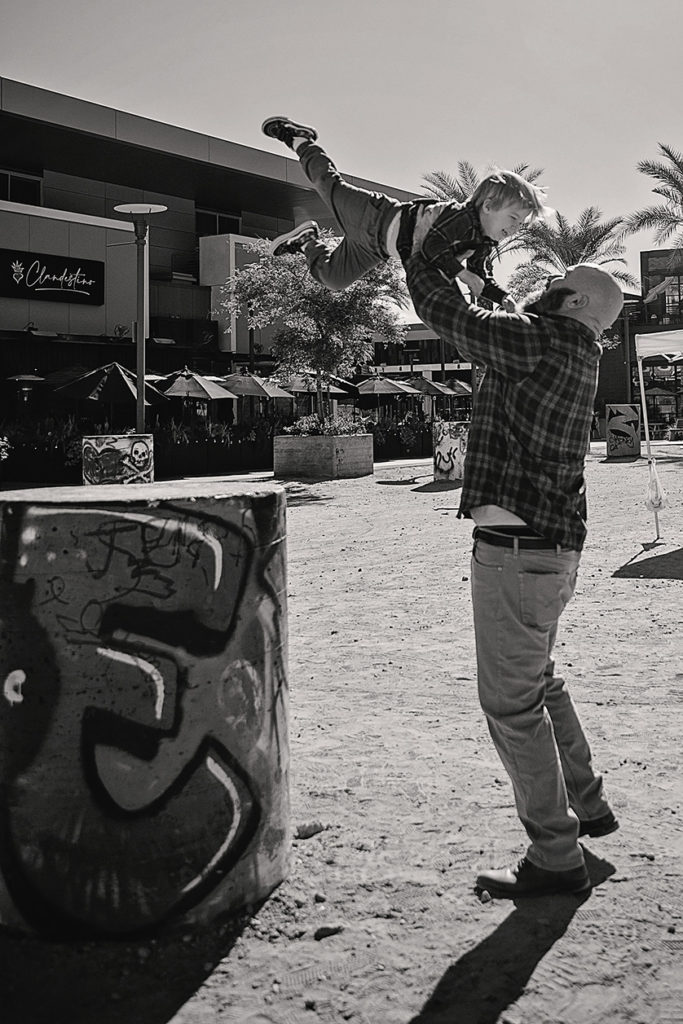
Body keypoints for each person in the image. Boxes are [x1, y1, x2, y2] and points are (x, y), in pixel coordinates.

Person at [397, 217, 624, 898]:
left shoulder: (531, 342)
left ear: (577, 303)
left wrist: (423, 251)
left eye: (558, 284)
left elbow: (439, 309)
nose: (546, 284)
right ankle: (588, 804)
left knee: (510, 705)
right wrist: (482, 279)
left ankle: (554, 858)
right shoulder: (567, 346)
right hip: (548, 550)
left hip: (515, 552)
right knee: (539, 682)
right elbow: (500, 313)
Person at [261, 116, 550, 311]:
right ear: (487, 206)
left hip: (375, 249)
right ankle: (300, 140)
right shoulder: (460, 216)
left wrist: (503, 298)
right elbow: (433, 246)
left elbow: (481, 277)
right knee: (327, 183)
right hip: (375, 217)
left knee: (335, 280)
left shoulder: (483, 243)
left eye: (520, 225)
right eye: (513, 219)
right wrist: (461, 274)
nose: (515, 229)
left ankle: (307, 241)